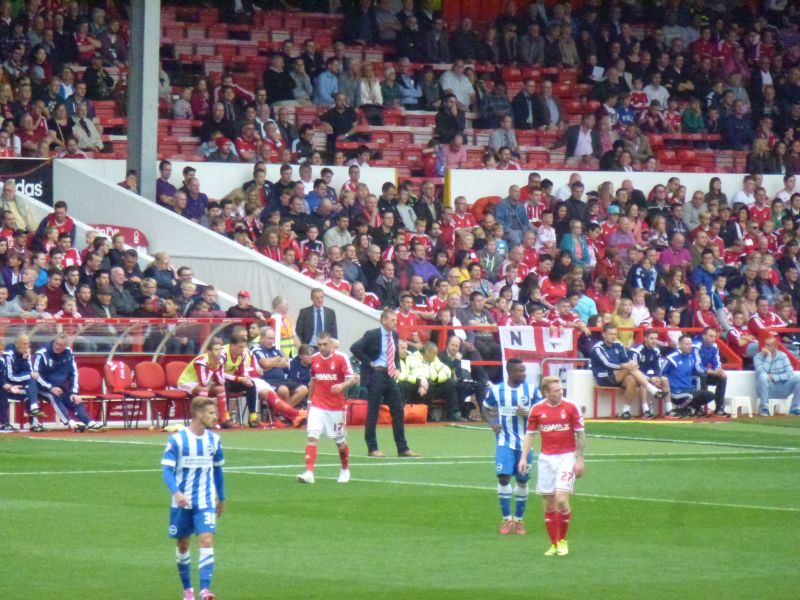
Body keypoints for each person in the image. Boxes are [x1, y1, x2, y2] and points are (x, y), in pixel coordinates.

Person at [161, 396, 225, 600]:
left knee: (206, 540)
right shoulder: (178, 440)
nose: (215, 417)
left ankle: (205, 590)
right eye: (211, 413)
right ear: (198, 414)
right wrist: (176, 492)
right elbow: (167, 471)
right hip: (182, 502)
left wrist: (221, 497)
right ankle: (188, 590)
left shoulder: (214, 440)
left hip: (205, 500)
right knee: (183, 545)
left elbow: (218, 470)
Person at [519, 376, 585, 557]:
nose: (560, 392)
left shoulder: (571, 407)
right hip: (546, 459)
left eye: (561, 389)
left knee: (561, 500)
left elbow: (580, 434)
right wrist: (523, 458)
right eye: (556, 390)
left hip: (567, 457)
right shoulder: (538, 409)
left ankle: (563, 540)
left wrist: (579, 459)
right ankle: (553, 544)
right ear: (546, 392)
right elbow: (530, 434)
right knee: (548, 503)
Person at [482, 359, 542, 535]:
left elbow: (543, 411)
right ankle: (507, 519)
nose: (524, 374)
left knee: (522, 480)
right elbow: (485, 408)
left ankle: (519, 519)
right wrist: (493, 422)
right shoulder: (496, 390)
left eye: (524, 371)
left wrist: (529, 413)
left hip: (525, 443)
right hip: (504, 441)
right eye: (520, 371)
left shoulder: (531, 390)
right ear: (510, 372)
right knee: (503, 477)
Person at [350, 308, 419, 458]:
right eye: (392, 320)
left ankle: (402, 448)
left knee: (398, 410)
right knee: (373, 411)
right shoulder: (372, 334)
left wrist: (397, 368)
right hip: (376, 374)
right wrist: (370, 363)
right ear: (384, 321)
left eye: (395, 320)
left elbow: (394, 354)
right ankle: (372, 448)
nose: (395, 322)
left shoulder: (394, 334)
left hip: (389, 375)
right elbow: (355, 348)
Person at [298, 332, 357, 484]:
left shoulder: (341, 358)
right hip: (318, 405)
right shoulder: (315, 359)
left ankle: (345, 469)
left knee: (340, 441)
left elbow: (353, 379)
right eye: (319, 344)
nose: (322, 347)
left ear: (331, 344)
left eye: (325, 344)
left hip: (336, 407)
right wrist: (310, 403)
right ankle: (309, 472)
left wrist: (342, 385)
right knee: (312, 436)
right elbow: (313, 382)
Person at [32, 332, 103, 432]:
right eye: (56, 344)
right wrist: (50, 388)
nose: (57, 347)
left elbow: (74, 373)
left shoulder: (68, 353)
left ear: (65, 346)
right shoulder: (42, 353)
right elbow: (35, 375)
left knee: (74, 399)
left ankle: (89, 422)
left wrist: (74, 392)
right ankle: (70, 423)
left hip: (61, 387)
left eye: (61, 345)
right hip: (42, 387)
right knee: (53, 396)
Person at [590, 324, 666, 416]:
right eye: (610, 334)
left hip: (619, 375)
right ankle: (651, 388)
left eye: (615, 334)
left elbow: (626, 360)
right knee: (630, 368)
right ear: (604, 334)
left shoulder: (619, 345)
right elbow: (608, 363)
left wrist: (627, 365)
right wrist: (624, 366)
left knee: (631, 380)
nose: (613, 336)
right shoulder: (598, 348)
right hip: (603, 376)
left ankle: (625, 411)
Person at [0, 332, 46, 432]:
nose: (27, 346)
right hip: (8, 385)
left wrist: (24, 360)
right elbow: (10, 376)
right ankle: (3, 423)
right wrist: (28, 375)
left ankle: (34, 423)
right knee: (31, 380)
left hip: (17, 386)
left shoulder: (26, 354)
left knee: (29, 390)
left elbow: (28, 371)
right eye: (24, 344)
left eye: (28, 344)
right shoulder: (8, 355)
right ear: (17, 344)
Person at [662, 335, 715, 417]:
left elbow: (698, 369)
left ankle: (689, 408)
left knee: (710, 395)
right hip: (676, 392)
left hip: (689, 389)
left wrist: (713, 372)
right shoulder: (672, 358)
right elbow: (661, 372)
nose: (689, 346)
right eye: (687, 344)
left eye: (690, 344)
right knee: (691, 396)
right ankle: (680, 408)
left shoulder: (691, 358)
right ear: (679, 345)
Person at [754, 335, 800, 416]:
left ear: (775, 346)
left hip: (783, 387)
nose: (765, 347)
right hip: (767, 388)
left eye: (768, 345)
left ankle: (794, 408)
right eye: (765, 345)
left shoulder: (783, 356)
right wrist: (768, 358)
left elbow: (790, 373)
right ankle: (764, 409)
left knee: (798, 378)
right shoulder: (758, 357)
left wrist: (775, 377)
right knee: (763, 376)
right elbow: (761, 372)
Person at [627, 329, 667, 419]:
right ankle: (646, 411)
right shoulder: (636, 350)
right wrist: (650, 378)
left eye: (656, 339)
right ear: (645, 339)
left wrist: (657, 377)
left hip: (648, 377)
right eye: (651, 339)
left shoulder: (656, 350)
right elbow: (634, 369)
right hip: (634, 376)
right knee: (643, 382)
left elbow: (657, 367)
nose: (654, 341)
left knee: (664, 380)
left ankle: (669, 410)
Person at [694, 327, 729, 417]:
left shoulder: (714, 346)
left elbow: (717, 362)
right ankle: (698, 408)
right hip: (692, 374)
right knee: (702, 376)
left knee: (722, 378)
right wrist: (713, 372)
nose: (713, 338)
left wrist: (719, 371)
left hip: (706, 373)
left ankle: (719, 407)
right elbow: (697, 367)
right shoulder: (696, 346)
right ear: (704, 336)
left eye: (714, 336)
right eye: (710, 336)